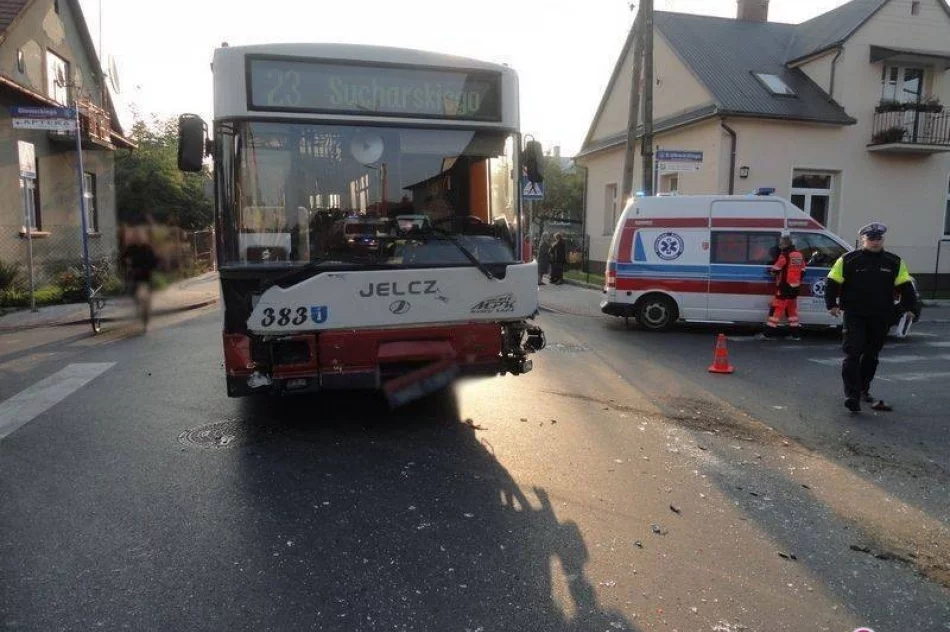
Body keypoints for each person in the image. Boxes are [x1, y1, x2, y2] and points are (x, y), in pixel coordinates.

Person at [825, 222, 919, 413]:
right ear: (863, 240)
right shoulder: (849, 259)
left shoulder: (894, 262)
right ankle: (851, 396)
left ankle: (862, 389)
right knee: (852, 353)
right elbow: (832, 282)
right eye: (871, 239)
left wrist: (909, 308)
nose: (875, 242)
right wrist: (832, 305)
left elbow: (906, 287)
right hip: (854, 314)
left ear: (883, 240)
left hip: (881, 315)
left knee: (871, 355)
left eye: (879, 239)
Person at [763, 234, 806, 340]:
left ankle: (768, 334)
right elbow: (803, 271)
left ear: (786, 244)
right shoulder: (799, 255)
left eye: (781, 243)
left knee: (776, 309)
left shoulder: (785, 255)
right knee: (792, 311)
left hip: (784, 286)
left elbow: (776, 269)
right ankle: (795, 335)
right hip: (795, 286)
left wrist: (770, 271)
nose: (779, 246)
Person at [122, 230, 160, 329]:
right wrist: (127, 264)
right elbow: (123, 257)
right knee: (138, 296)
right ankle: (141, 310)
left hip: (146, 277)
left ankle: (145, 316)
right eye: (136, 237)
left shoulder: (147, 248)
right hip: (135, 277)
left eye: (140, 237)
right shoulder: (132, 248)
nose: (138, 239)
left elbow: (154, 261)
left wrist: (150, 268)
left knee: (145, 297)